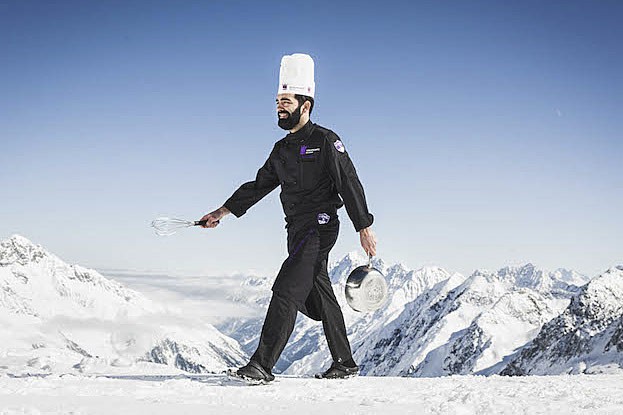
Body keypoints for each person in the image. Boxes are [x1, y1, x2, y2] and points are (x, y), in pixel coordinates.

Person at [199, 53, 377, 382]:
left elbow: (349, 181)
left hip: (321, 226)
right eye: (277, 101)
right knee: (317, 292)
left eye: (286, 101)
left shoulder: (326, 140)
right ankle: (345, 362)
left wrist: (363, 226)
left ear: (305, 105)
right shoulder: (281, 149)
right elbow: (258, 185)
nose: (279, 107)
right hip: (296, 229)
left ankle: (261, 366)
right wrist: (222, 212)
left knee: (286, 287)